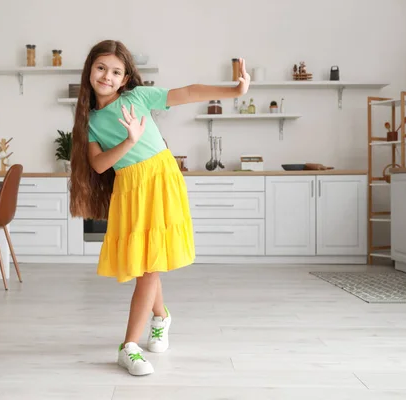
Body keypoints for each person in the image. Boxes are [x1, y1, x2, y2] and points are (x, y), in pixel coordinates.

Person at [69, 40, 250, 376]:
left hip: (162, 180)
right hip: (130, 188)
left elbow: (189, 92)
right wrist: (129, 141)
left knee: (150, 267)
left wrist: (235, 91)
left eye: (116, 71)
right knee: (146, 263)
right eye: (101, 68)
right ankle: (161, 318)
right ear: (90, 70)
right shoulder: (90, 120)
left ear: (125, 79)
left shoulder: (137, 97)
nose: (107, 76)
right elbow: (97, 165)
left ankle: (129, 347)